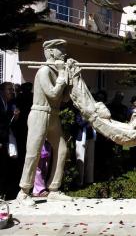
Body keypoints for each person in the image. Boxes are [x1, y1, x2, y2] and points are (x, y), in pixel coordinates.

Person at [17, 39, 72, 206]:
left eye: (63, 49)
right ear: (51, 52)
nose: (63, 52)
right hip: (40, 114)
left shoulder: (57, 72)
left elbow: (63, 99)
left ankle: (54, 189)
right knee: (33, 153)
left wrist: (69, 79)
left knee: (62, 149)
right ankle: (24, 191)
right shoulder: (44, 71)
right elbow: (53, 94)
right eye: (60, 49)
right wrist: (62, 76)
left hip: (53, 115)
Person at [74, 112, 95, 186]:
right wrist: (89, 119)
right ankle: (80, 181)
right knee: (81, 160)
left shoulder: (91, 113)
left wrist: (89, 120)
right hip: (81, 138)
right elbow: (80, 123)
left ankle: (89, 180)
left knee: (90, 160)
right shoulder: (78, 113)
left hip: (90, 137)